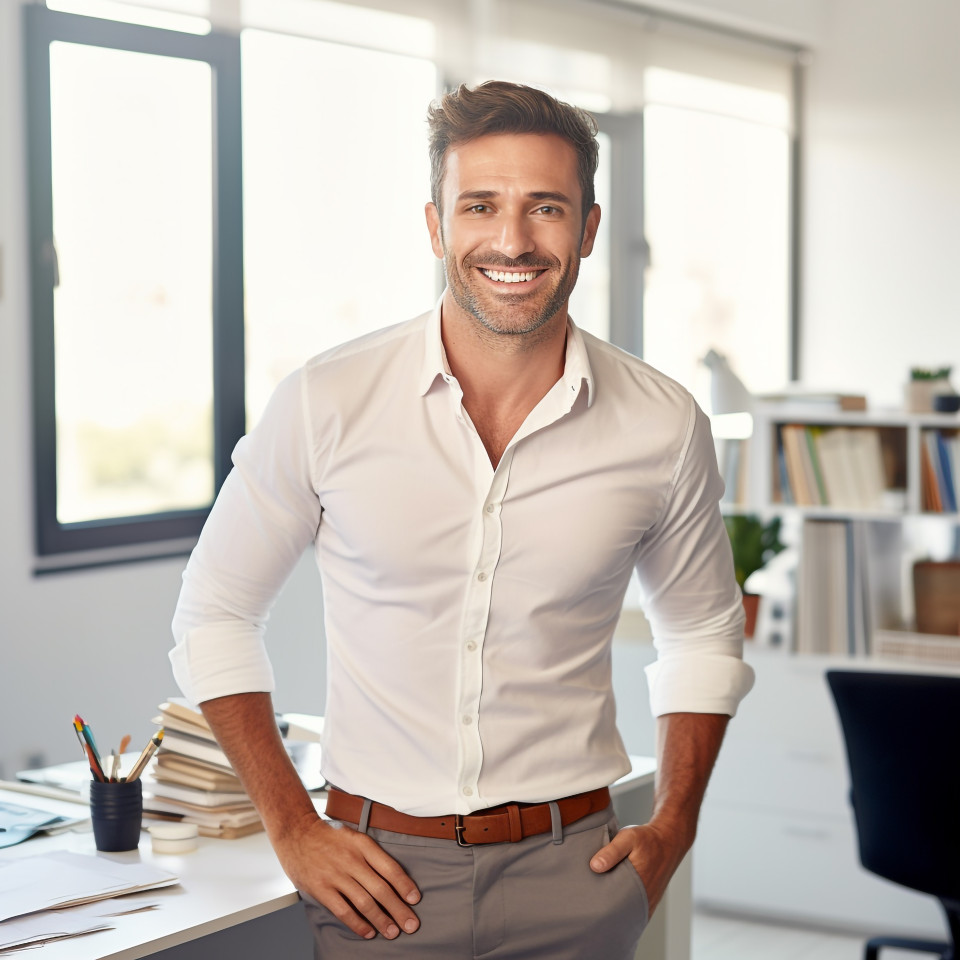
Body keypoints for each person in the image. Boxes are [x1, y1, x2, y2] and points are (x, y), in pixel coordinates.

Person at [170, 80, 754, 959]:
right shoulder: (328, 402)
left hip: (580, 878)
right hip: (380, 881)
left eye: (545, 208)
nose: (512, 241)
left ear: (588, 229)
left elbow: (705, 634)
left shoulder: (662, 424)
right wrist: (291, 825)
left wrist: (672, 828)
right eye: (480, 205)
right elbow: (213, 615)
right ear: (438, 226)